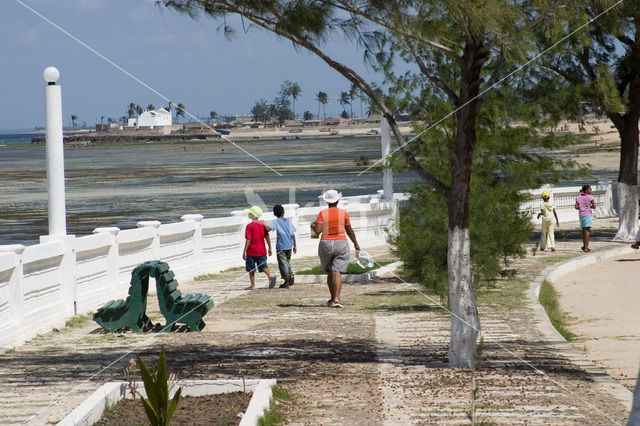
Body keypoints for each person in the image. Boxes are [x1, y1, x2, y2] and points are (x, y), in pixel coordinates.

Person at [312, 190, 360, 308]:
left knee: (329, 270)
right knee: (337, 270)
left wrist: (313, 226)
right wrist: (355, 244)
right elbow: (349, 230)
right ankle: (336, 299)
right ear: (338, 200)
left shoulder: (322, 213)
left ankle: (332, 299)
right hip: (341, 242)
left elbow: (317, 232)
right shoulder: (343, 213)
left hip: (326, 243)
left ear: (326, 201)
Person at [242, 205, 276, 289]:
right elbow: (267, 237)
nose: (248, 214)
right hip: (262, 250)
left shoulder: (249, 226)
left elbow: (248, 239)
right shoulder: (262, 225)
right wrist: (270, 248)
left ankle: (252, 285)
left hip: (252, 251)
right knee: (263, 266)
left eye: (249, 213)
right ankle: (270, 276)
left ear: (253, 215)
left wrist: (245, 251)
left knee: (251, 269)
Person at [270, 204, 297, 288]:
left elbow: (269, 229)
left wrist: (262, 224)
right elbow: (293, 234)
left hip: (281, 246)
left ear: (274, 214)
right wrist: (295, 245)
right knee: (287, 261)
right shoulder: (288, 221)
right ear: (283, 212)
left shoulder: (275, 222)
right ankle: (290, 274)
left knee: (283, 264)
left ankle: (286, 280)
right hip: (289, 245)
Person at [575, 184, 596, 252]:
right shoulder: (590, 197)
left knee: (583, 230)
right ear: (586, 190)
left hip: (581, 215)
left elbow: (576, 207)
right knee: (587, 230)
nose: (591, 191)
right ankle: (586, 247)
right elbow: (594, 206)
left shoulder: (578, 197)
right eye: (590, 189)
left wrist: (581, 207)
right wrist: (589, 206)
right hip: (588, 214)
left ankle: (584, 245)